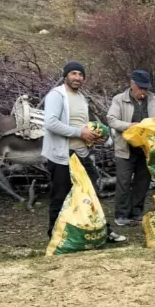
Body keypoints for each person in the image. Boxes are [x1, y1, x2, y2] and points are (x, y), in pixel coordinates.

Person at [42, 61, 126, 243]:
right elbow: (51, 123)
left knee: (92, 192)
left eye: (80, 75)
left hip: (82, 154)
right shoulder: (57, 95)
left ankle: (102, 230)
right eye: (73, 73)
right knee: (60, 196)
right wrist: (80, 133)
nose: (77, 77)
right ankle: (55, 235)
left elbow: (83, 126)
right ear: (65, 76)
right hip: (62, 155)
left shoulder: (81, 98)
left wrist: (93, 137)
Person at [107, 69, 155, 227]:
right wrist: (129, 126)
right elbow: (111, 119)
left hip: (146, 150)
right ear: (132, 84)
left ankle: (136, 212)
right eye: (140, 88)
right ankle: (121, 215)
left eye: (146, 88)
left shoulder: (154, 100)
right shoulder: (119, 99)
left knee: (142, 182)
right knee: (124, 182)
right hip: (125, 149)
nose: (143, 92)